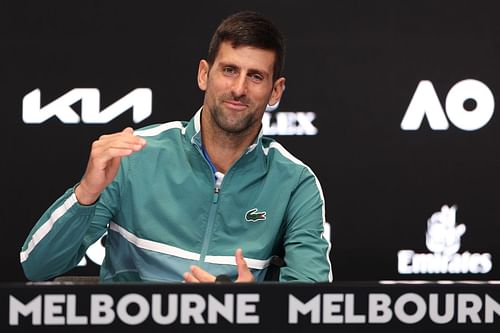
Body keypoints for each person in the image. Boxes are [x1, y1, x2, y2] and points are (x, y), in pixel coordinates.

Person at [20, 10, 333, 283]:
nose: (239, 88)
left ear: (275, 91)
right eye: (229, 70)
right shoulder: (135, 155)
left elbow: (311, 303)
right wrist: (87, 192)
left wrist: (252, 304)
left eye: (255, 76)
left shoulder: (295, 183)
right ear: (203, 74)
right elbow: (37, 266)